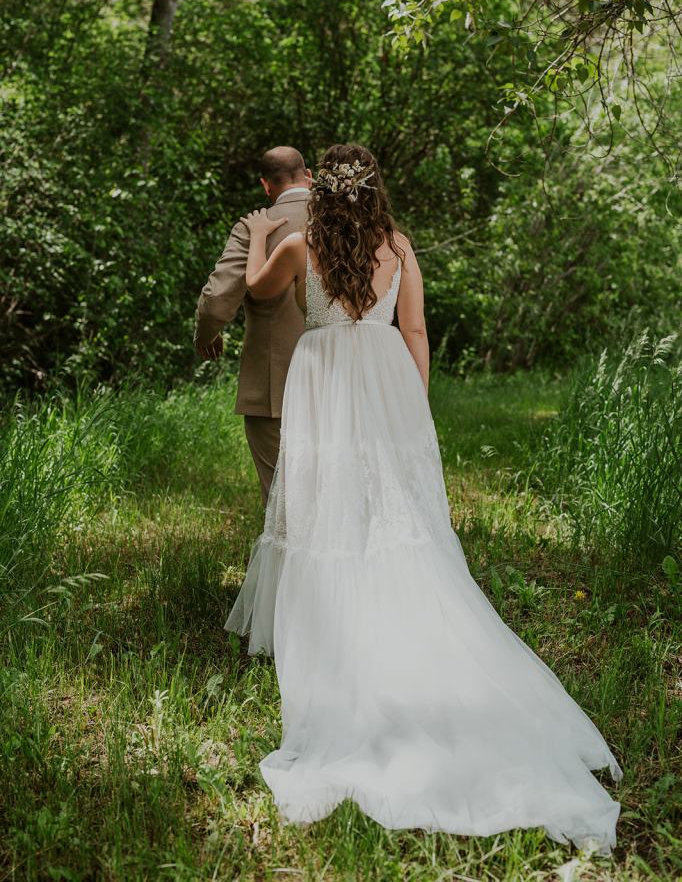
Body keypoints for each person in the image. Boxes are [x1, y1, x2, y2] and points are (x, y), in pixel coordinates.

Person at [224, 142, 622, 853]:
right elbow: (414, 330)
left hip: (322, 376)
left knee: (323, 498)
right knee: (390, 508)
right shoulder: (399, 247)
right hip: (385, 376)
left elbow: (256, 291)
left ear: (322, 190)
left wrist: (258, 234)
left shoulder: (297, 245)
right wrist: (414, 408)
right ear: (374, 189)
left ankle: (315, 624)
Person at [194, 146, 312, 505]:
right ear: (308, 176)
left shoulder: (254, 227)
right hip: (346, 374)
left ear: (266, 185)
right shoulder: (347, 219)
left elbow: (217, 300)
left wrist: (207, 334)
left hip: (276, 381)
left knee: (283, 497)